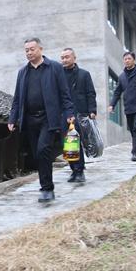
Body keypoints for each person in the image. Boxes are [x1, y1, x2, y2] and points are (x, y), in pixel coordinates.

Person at [9, 38, 75, 203]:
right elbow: (17, 98)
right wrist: (13, 118)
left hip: (48, 118)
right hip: (30, 119)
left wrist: (69, 111)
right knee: (37, 154)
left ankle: (47, 189)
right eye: (26, 50)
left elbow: (64, 92)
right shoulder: (23, 72)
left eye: (32, 49)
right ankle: (46, 185)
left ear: (40, 49)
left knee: (43, 149)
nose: (29, 53)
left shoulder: (55, 68)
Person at [60, 47, 97, 183]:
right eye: (62, 58)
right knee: (68, 142)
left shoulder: (84, 74)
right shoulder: (59, 75)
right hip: (64, 113)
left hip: (81, 113)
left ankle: (79, 170)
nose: (64, 60)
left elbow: (91, 93)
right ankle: (74, 169)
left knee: (76, 141)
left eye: (67, 57)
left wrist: (92, 110)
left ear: (74, 58)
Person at [108, 52, 136, 161]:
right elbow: (117, 92)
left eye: (129, 58)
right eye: (125, 59)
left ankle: (134, 152)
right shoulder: (122, 77)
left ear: (134, 60)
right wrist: (112, 105)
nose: (127, 61)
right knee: (133, 131)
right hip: (129, 107)